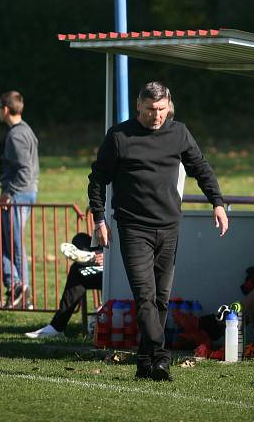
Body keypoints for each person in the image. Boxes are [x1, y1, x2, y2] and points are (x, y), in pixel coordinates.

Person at [88, 81, 228, 381]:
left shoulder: (178, 133)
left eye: (162, 109)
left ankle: (144, 360)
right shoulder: (119, 136)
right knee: (145, 297)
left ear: (169, 106)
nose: (157, 115)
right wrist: (99, 220)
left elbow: (200, 167)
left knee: (162, 298)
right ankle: (161, 357)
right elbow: (98, 180)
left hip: (168, 228)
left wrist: (217, 202)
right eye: (151, 109)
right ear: (139, 106)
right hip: (132, 227)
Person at [0, 90, 39, 308]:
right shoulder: (25, 130)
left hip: (18, 195)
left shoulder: (16, 135)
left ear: (5, 109)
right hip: (23, 192)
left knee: (14, 243)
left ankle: (24, 293)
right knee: (0, 241)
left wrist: (8, 193)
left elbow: (24, 169)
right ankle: (15, 286)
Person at [25, 232, 103, 338]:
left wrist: (107, 256)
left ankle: (57, 327)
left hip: (118, 267)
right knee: (80, 238)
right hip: (103, 252)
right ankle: (89, 256)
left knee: (77, 269)